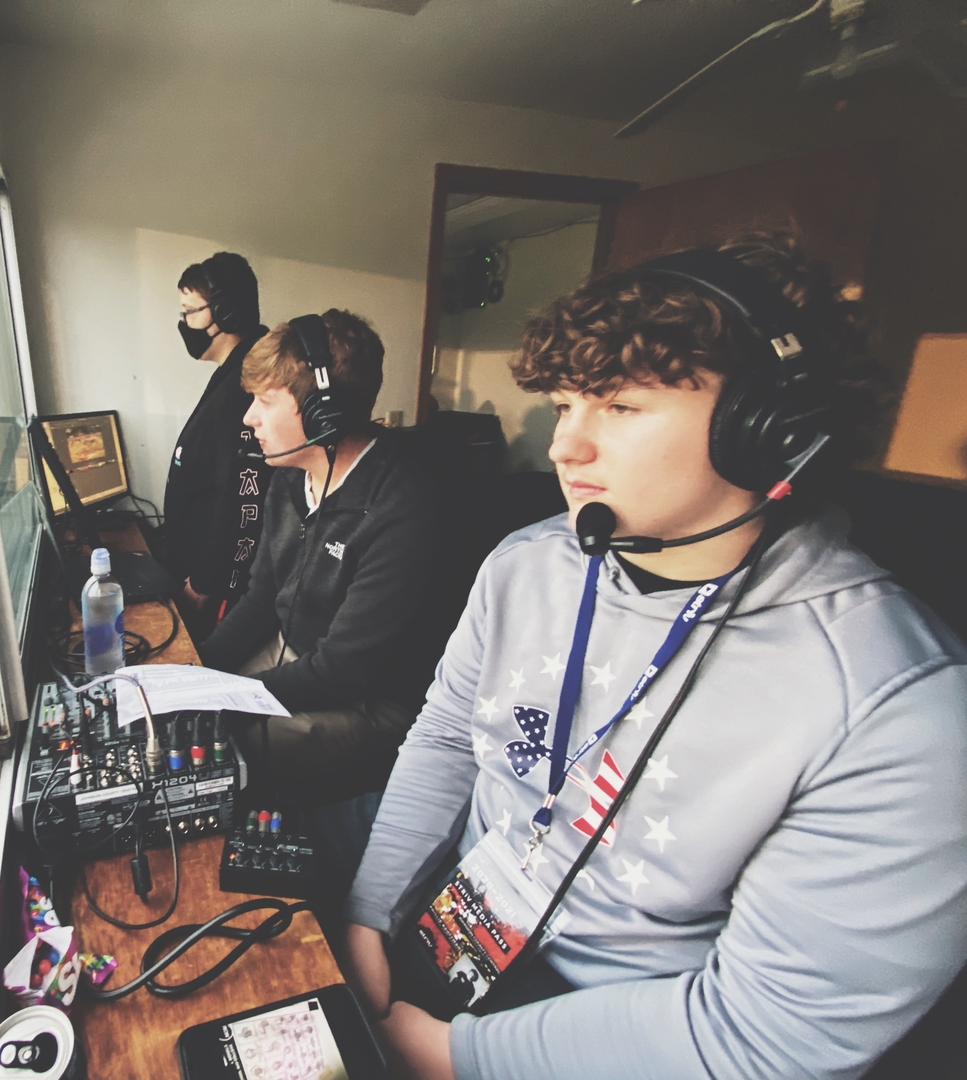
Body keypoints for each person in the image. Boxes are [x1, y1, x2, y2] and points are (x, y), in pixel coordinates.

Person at [340, 235, 967, 1079]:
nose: (565, 446)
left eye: (621, 407)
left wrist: (454, 1056)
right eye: (566, 405)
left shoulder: (901, 711)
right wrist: (369, 916)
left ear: (770, 433)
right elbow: (452, 737)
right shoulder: (528, 563)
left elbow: (764, 1040)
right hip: (447, 923)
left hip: (615, 1034)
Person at [197, 310, 448, 806]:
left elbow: (343, 670)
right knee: (189, 717)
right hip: (295, 655)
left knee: (220, 753)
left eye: (265, 402)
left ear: (322, 412)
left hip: (369, 699)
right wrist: (197, 672)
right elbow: (262, 597)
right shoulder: (289, 476)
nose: (249, 418)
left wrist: (226, 700)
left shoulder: (402, 506)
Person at [160, 252, 272, 640]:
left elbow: (240, 496)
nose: (183, 323)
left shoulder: (244, 386)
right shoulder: (232, 373)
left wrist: (206, 582)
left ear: (224, 312)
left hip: (210, 588)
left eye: (190, 312)